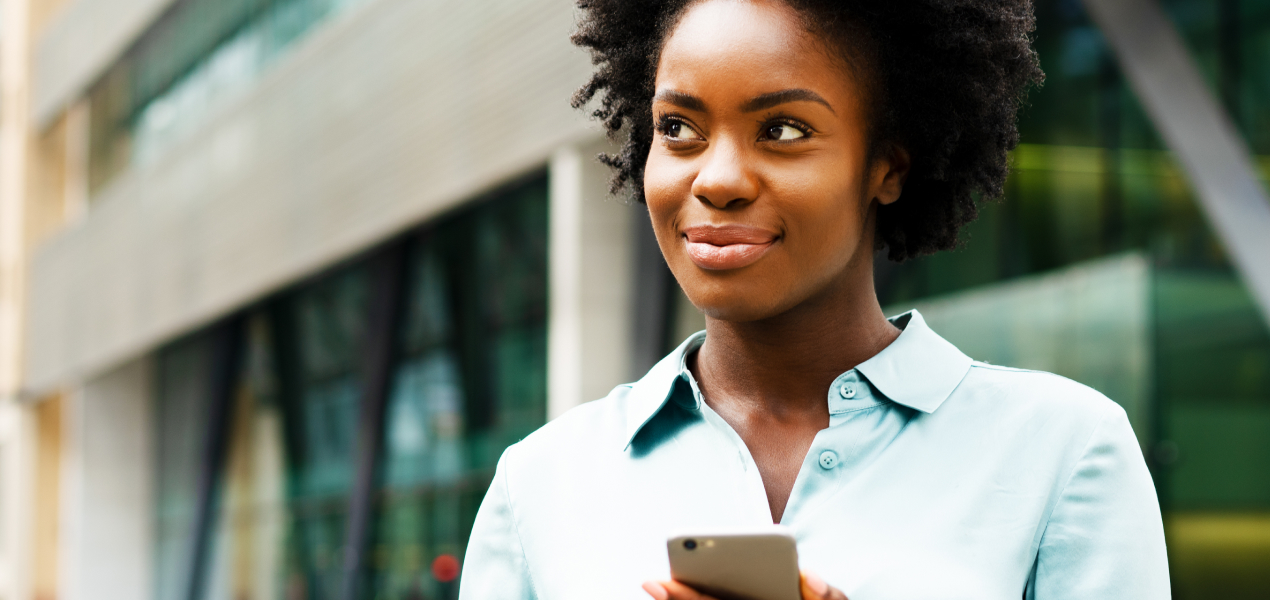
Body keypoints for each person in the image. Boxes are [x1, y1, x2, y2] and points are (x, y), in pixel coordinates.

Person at [460, 0, 1169, 597]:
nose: (718, 178)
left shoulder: (1064, 454)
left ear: (886, 167)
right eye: (679, 129)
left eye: (783, 131)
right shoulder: (541, 485)